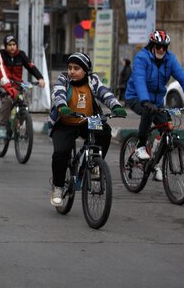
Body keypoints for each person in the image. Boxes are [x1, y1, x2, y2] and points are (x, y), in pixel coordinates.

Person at [48, 52, 127, 206]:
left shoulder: (93, 80)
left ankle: (91, 166)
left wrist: (116, 106)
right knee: (61, 153)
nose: (71, 71)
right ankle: (57, 187)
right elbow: (58, 93)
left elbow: (105, 93)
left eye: (76, 68)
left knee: (104, 133)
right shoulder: (63, 79)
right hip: (65, 123)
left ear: (85, 70)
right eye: (70, 67)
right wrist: (62, 106)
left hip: (87, 121)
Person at [125, 30, 184, 181]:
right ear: (152, 45)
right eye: (158, 46)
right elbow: (139, 80)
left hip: (157, 103)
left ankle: (153, 163)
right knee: (147, 111)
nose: (161, 50)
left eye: (164, 47)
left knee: (168, 127)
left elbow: (183, 77)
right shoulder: (142, 58)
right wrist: (145, 100)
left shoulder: (170, 60)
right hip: (136, 97)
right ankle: (139, 147)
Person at [0, 35, 46, 139]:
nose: (12, 47)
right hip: (3, 85)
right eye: (9, 45)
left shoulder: (21, 55)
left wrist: (40, 78)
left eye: (14, 44)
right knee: (8, 101)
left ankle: (18, 123)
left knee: (24, 103)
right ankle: (2, 127)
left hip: (17, 86)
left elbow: (31, 67)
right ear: (5, 46)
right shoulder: (0, 55)